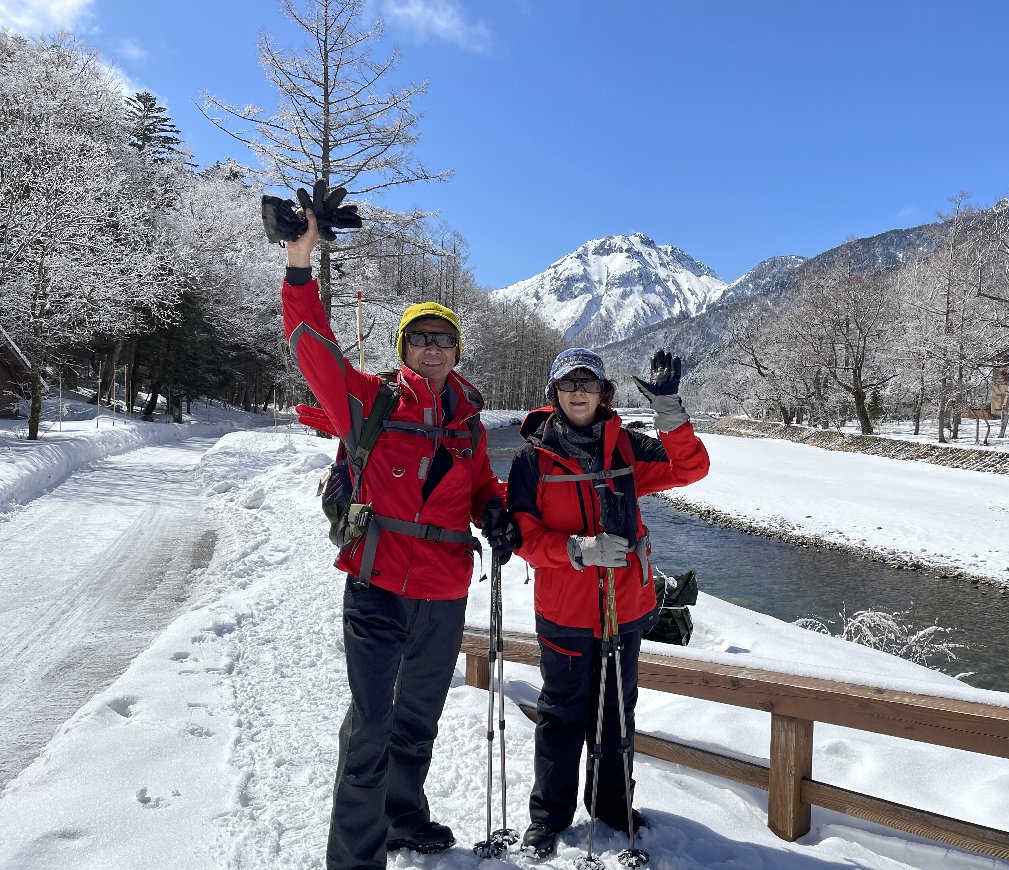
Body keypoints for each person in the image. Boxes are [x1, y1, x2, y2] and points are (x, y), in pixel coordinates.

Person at [281, 207, 515, 867]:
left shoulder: (468, 425)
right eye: (420, 338)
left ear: (456, 352)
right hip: (377, 585)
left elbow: (479, 487)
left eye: (444, 339)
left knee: (417, 720)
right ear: (403, 349)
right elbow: (311, 345)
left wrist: (495, 512)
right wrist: (300, 263)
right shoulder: (369, 402)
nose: (432, 348)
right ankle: (356, 859)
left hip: (443, 594)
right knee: (370, 729)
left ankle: (403, 818)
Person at [506, 346, 710, 859]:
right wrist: (576, 550)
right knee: (561, 716)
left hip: (625, 607)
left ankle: (613, 807)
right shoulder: (532, 459)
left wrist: (669, 410)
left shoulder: (628, 447)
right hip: (565, 612)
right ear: (554, 392)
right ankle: (548, 818)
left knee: (618, 714)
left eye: (588, 382)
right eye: (569, 383)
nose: (579, 392)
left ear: (604, 392)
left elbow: (690, 468)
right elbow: (524, 537)